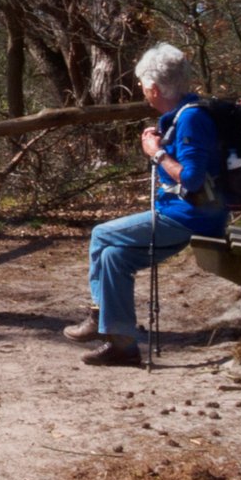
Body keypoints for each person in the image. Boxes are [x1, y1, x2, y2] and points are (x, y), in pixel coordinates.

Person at [62, 43, 227, 366]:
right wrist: (162, 142)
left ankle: (97, 315)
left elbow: (192, 179)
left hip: (189, 217)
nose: (141, 90)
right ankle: (123, 346)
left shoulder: (192, 119)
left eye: (141, 85)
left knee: (101, 234)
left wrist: (157, 153)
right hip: (189, 214)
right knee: (113, 257)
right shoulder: (183, 115)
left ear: (154, 88)